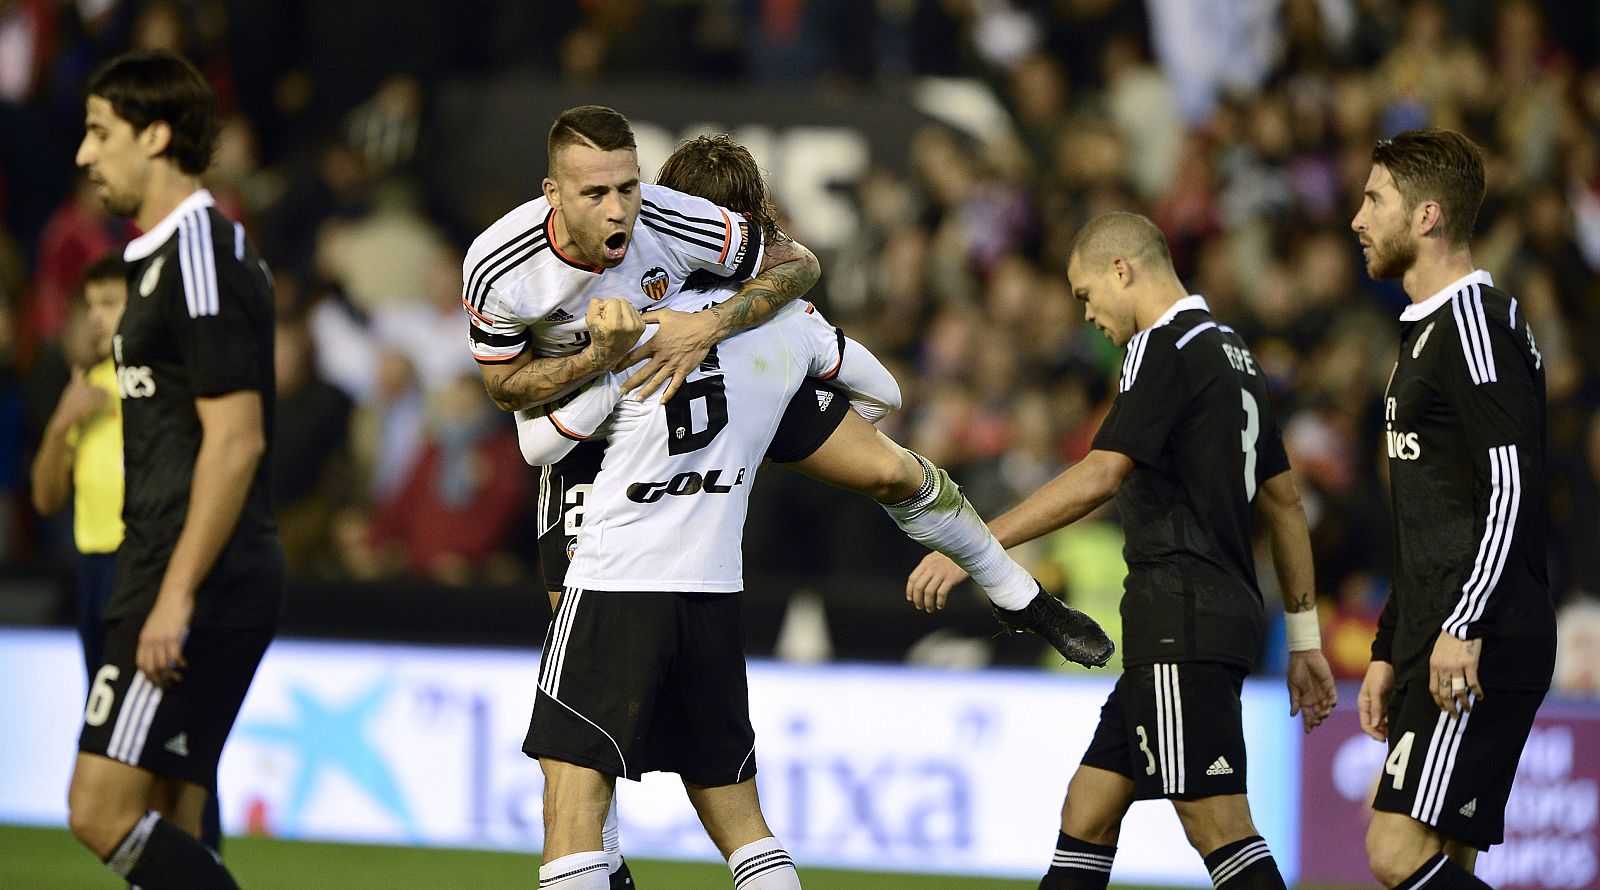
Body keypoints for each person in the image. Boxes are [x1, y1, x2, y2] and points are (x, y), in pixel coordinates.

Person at [908, 211, 1338, 890]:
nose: (1086, 314)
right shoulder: (1233, 352)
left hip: (1181, 619)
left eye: (1085, 294)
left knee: (1217, 825)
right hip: (1214, 615)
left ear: (1123, 270)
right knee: (1090, 807)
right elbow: (1283, 503)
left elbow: (1103, 472)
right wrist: (1306, 636)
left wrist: (975, 540)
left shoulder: (1158, 347)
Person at [66, 50, 281, 890]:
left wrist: (175, 593)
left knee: (99, 810)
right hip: (171, 561)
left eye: (99, 132)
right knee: (174, 813)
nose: (84, 154)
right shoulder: (161, 256)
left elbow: (236, 440)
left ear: (155, 135)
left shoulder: (200, 250)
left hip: (197, 573)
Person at [1350, 129, 1554, 890]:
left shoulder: (1473, 323)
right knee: (1442, 862)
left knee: (1394, 851)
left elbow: (1510, 486)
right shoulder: (1428, 331)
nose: (1357, 218)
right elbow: (1432, 515)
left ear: (1427, 216)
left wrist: (1464, 624)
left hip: (1479, 637)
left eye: (1375, 200)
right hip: (1439, 633)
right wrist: (1385, 647)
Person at [32, 253, 128, 680]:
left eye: (109, 303)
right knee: (102, 711)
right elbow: (46, 500)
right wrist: (60, 425)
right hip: (94, 567)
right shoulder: (87, 391)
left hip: (146, 563)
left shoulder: (173, 384)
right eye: (89, 306)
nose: (94, 318)